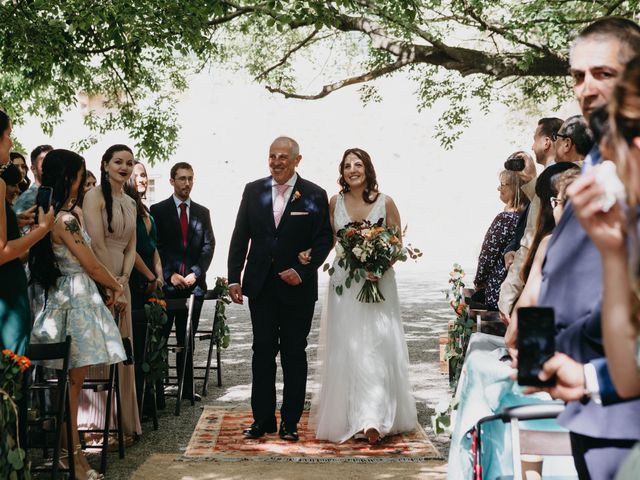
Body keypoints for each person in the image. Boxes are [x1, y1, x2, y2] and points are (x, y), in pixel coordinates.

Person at [526, 17, 640, 479]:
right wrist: (531, 336)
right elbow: (561, 262)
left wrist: (594, 378)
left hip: (624, 410)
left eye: (603, 73)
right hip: (586, 398)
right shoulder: (593, 162)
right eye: (578, 75)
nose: (586, 87)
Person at [29, 149, 126, 480]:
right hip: (76, 303)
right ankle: (72, 457)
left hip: (68, 298)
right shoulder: (65, 219)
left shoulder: (55, 215)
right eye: (81, 176)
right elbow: (92, 264)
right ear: (68, 178)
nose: (85, 183)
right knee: (73, 386)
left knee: (73, 385)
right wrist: (117, 286)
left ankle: (72, 455)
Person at [309, 148, 417, 444]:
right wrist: (308, 257)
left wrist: (380, 265)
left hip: (378, 283)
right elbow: (331, 243)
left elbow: (397, 244)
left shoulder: (386, 202)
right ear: (342, 172)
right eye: (347, 166)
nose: (352, 170)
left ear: (368, 169)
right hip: (345, 282)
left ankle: (374, 418)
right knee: (348, 348)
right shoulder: (335, 203)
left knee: (376, 347)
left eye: (358, 165)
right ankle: (351, 416)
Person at [228, 136, 332, 441]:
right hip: (260, 285)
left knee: (293, 354)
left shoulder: (314, 194)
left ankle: (289, 422)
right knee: (261, 352)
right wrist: (234, 277)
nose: (276, 162)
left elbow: (324, 240)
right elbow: (240, 235)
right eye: (272, 156)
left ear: (297, 160)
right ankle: (262, 420)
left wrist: (302, 271)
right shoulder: (253, 190)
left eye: (283, 157)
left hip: (297, 290)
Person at [79, 144, 141, 442]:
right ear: (105, 165)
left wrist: (125, 278)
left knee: (121, 349)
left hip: (122, 279)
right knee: (101, 349)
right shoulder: (93, 197)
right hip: (100, 278)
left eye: (129, 163)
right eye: (118, 162)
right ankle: (96, 427)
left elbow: (131, 247)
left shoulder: (130, 202)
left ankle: (123, 421)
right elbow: (97, 243)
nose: (124, 167)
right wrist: (111, 285)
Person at [151, 161, 214, 404]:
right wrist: (169, 274)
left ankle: (186, 389)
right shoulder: (158, 210)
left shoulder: (202, 212)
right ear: (172, 181)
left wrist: (196, 273)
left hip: (193, 287)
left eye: (190, 178)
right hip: (167, 287)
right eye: (181, 178)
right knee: (161, 338)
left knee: (187, 338)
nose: (186, 183)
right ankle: (156, 393)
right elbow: (156, 246)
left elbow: (209, 245)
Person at [0, 110, 53, 354]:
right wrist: (41, 230)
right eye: (8, 135)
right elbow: (2, 251)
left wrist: (16, 221)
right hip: (6, 290)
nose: (11, 142)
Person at [124, 162, 164, 411]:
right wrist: (148, 277)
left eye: (144, 175)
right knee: (138, 342)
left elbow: (153, 246)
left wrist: (159, 275)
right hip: (135, 278)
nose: (142, 179)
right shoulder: (125, 208)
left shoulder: (145, 209)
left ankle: (151, 399)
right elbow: (131, 249)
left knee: (153, 339)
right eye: (137, 175)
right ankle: (138, 403)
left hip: (152, 278)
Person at [473, 170, 528, 310]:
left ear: (514, 188)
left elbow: (488, 255)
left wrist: (479, 281)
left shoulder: (505, 218)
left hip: (499, 289)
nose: (499, 188)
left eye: (502, 184)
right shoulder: (526, 216)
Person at [13, 144, 53, 215]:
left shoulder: (52, 194)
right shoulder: (27, 200)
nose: (50, 165)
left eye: (52, 160)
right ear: (33, 169)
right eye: (44, 161)